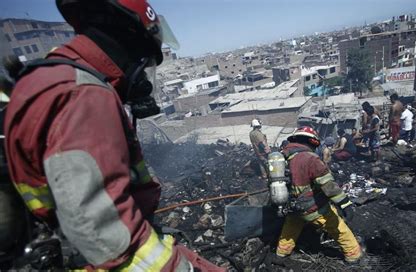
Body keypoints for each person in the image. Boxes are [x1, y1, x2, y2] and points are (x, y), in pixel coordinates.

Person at [4, 1, 223, 271]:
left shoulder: (52, 78)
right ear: (130, 45)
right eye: (144, 64)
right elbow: (103, 235)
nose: (143, 78)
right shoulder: (84, 95)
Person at [277, 126, 362, 263]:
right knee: (338, 228)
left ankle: (281, 253)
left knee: (290, 230)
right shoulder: (311, 159)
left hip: (291, 207)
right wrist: (345, 204)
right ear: (312, 142)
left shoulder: (282, 156)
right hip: (312, 207)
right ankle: (354, 256)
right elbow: (328, 185)